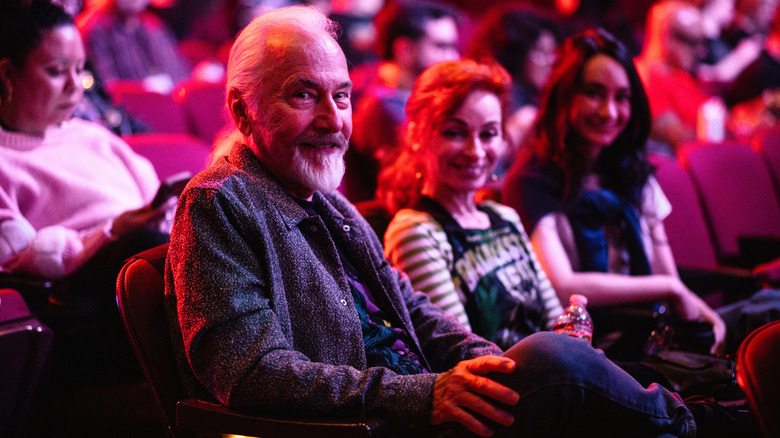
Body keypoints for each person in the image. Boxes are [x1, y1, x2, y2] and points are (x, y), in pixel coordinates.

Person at [164, 6, 730, 438]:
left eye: (342, 96)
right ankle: (706, 422)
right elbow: (251, 373)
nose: (333, 120)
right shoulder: (219, 205)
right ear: (243, 110)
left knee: (551, 359)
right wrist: (423, 395)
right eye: (304, 96)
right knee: (553, 360)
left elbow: (415, 312)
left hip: (422, 405)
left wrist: (488, 361)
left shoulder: (330, 204)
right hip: (375, 425)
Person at [503, 27, 779, 360]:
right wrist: (669, 289)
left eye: (622, 97)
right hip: (599, 348)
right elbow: (562, 285)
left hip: (662, 330)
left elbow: (667, 274)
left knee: (770, 308)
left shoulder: (632, 169)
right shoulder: (532, 178)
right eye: (593, 93)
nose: (609, 112)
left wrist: (704, 316)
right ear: (564, 97)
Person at [378, 59, 564, 351]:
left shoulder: (504, 216)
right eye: (455, 133)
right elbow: (466, 351)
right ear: (416, 136)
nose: (475, 151)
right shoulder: (415, 231)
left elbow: (558, 324)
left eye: (488, 134)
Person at [0, 0, 174, 304]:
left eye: (80, 69)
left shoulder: (94, 136)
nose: (75, 85)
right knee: (143, 249)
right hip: (80, 296)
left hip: (151, 260)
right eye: (56, 71)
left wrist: (166, 214)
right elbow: (16, 259)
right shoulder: (5, 159)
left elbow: (157, 201)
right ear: (8, 74)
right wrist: (112, 231)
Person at [344, 0, 461, 202]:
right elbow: (423, 180)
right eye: (441, 47)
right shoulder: (383, 106)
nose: (454, 58)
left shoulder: (410, 99)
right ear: (404, 50)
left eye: (454, 47)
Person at [635, 0, 714, 154]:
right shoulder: (646, 77)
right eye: (693, 42)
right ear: (667, 38)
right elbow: (679, 139)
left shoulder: (682, 76)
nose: (701, 51)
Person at [76, 0, 192, 93]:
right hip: (125, 111)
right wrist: (144, 89)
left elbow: (180, 77)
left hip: (164, 106)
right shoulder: (94, 30)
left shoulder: (154, 27)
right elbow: (107, 86)